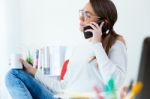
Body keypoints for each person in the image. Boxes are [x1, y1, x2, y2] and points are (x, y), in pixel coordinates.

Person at [5, 0, 127, 99]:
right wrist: (32, 70)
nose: (81, 20)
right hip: (62, 97)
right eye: (82, 13)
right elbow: (62, 87)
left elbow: (115, 82)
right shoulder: (79, 48)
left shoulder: (115, 43)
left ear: (103, 23)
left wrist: (97, 45)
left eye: (87, 15)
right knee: (13, 75)